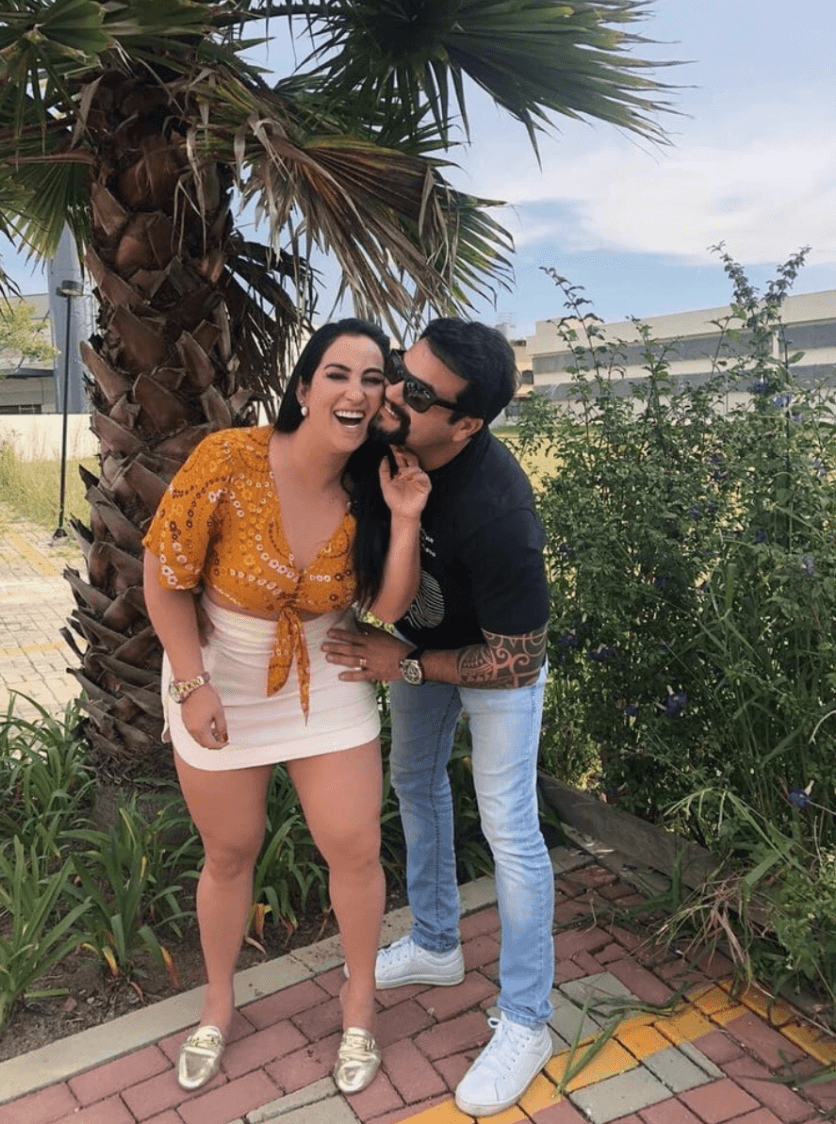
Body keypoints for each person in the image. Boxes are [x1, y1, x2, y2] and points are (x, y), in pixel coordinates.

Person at [141, 319, 430, 1097]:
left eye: (373, 379)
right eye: (338, 373)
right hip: (218, 676)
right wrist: (192, 683)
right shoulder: (229, 459)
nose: (356, 391)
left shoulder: (376, 482)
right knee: (230, 854)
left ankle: (359, 1006)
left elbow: (387, 608)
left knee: (356, 849)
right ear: (305, 388)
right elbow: (163, 578)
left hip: (325, 676)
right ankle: (217, 1005)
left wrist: (405, 517)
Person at [323, 318, 554, 1117]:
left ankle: (527, 1019)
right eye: (398, 370)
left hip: (489, 662)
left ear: (466, 424)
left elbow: (519, 659)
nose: (392, 393)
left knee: (509, 827)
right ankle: (434, 943)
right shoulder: (382, 438)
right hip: (418, 647)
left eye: (418, 393)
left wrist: (408, 663)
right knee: (413, 783)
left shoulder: (499, 513)